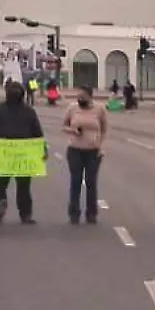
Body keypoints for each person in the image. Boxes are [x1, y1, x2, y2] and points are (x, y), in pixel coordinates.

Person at [0, 81, 46, 225]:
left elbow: (37, 133)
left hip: (24, 154)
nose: (15, 94)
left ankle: (26, 214)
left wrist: (43, 149)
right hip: (2, 154)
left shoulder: (29, 111)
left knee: (24, 187)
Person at [62, 86, 108, 224]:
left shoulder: (99, 109)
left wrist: (101, 146)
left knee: (91, 182)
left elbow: (104, 129)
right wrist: (72, 130)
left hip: (93, 151)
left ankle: (91, 213)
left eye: (83, 96)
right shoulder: (72, 108)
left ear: (90, 96)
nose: (80, 98)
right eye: (79, 96)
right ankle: (74, 213)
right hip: (75, 149)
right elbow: (64, 126)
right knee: (75, 181)